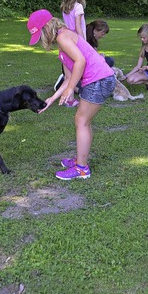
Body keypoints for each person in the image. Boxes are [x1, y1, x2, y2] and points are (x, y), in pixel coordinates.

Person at [27, 9, 116, 180]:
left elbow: (80, 62)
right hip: (98, 80)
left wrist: (70, 90)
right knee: (83, 121)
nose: (42, 39)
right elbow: (68, 78)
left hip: (99, 80)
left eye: (41, 34)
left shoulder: (63, 36)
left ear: (47, 28)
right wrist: (52, 99)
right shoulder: (62, 43)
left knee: (81, 121)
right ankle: (81, 160)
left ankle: (82, 168)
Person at [58, 0, 88, 107]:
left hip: (65, 41)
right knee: (79, 69)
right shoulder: (78, 6)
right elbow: (78, 26)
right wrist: (84, 43)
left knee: (68, 74)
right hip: (75, 41)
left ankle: (68, 100)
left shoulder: (65, 7)